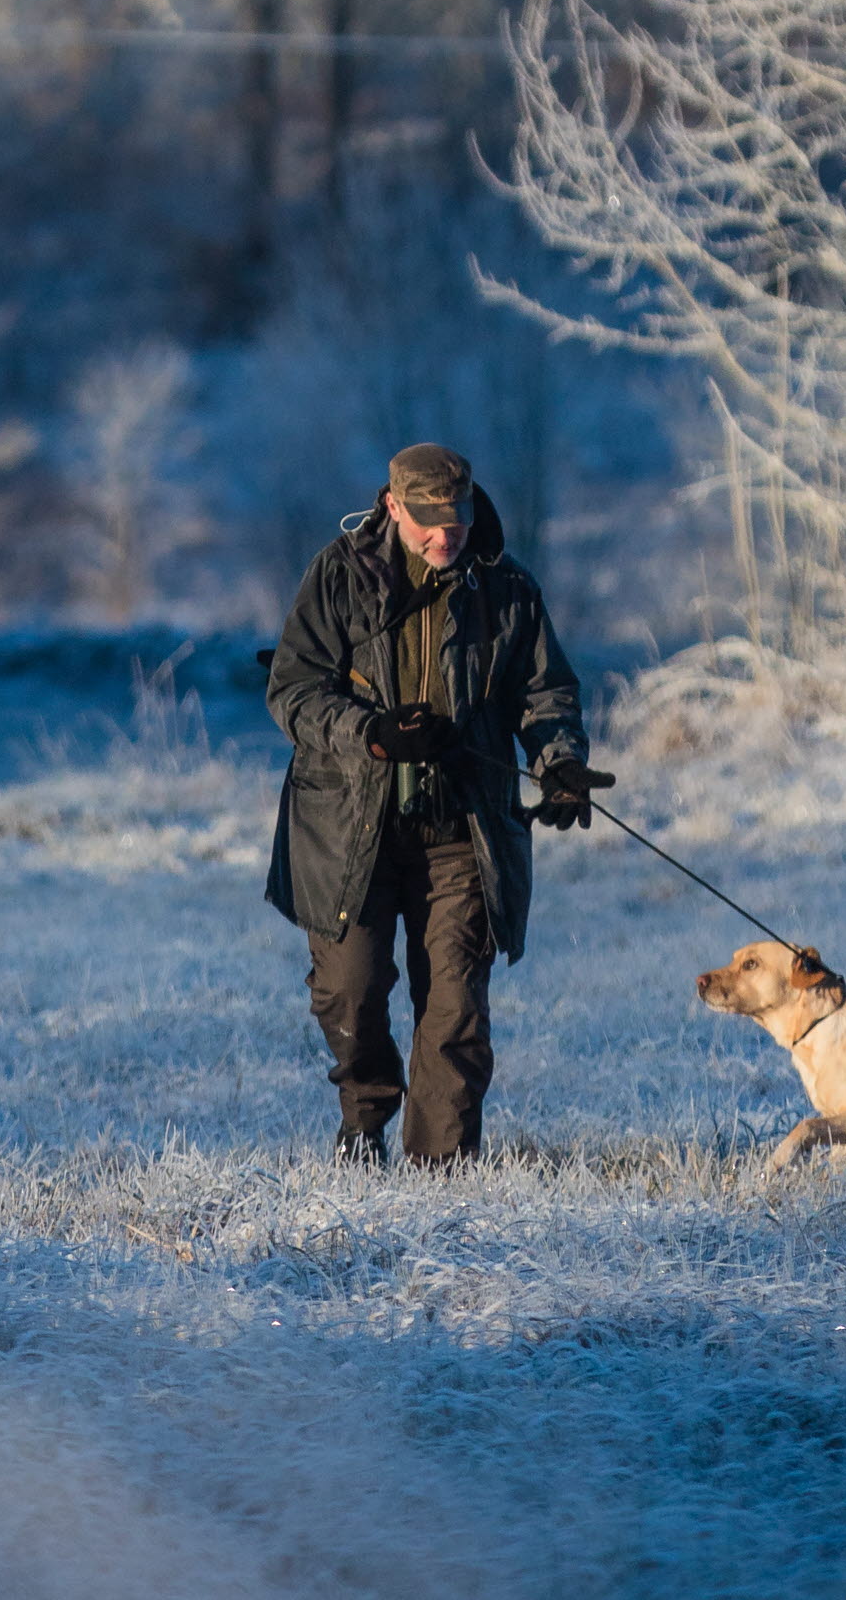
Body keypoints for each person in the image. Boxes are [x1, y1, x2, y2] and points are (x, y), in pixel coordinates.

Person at [264, 444, 610, 1166]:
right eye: (425, 521)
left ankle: (440, 1177)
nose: (442, 535)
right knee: (350, 993)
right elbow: (292, 691)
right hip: (348, 827)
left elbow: (545, 693)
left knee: (455, 1010)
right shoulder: (336, 577)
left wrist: (560, 762)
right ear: (392, 506)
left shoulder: (508, 588)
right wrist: (373, 734)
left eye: (453, 518)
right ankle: (363, 1122)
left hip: (463, 829)